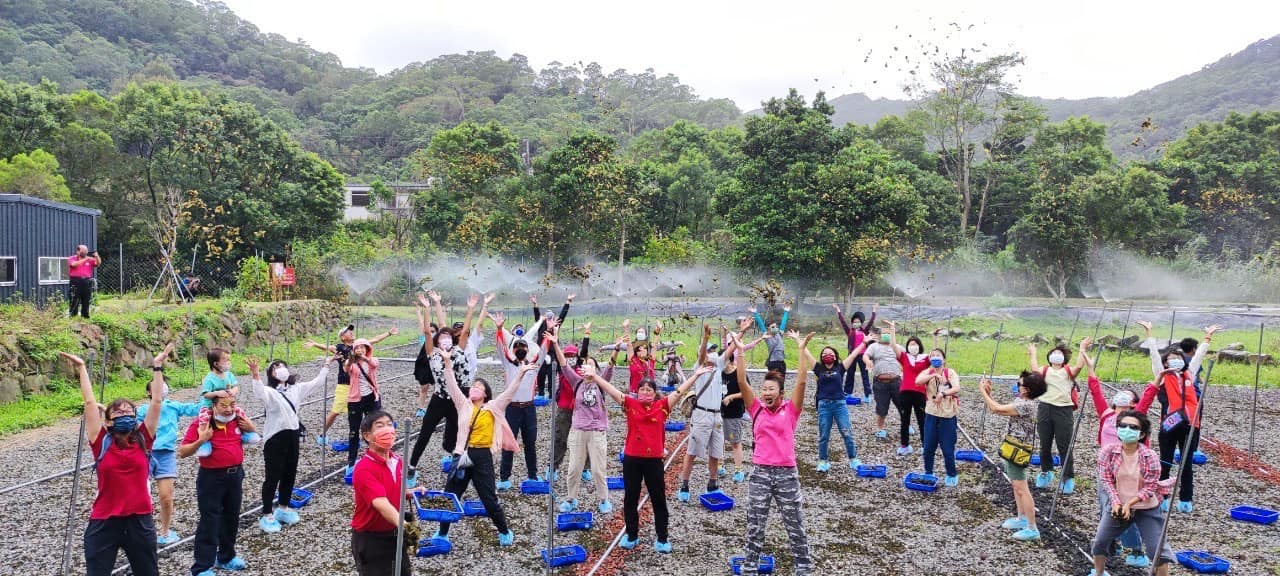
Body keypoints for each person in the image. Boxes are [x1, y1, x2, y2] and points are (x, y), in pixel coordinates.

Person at [60, 343, 170, 576]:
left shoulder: (143, 438)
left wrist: (157, 366)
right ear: (108, 421)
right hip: (104, 520)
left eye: (129, 412)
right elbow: (90, 404)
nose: (125, 415)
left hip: (139, 520)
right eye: (118, 413)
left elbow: (157, 402)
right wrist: (81, 368)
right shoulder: (101, 441)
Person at [435, 332, 530, 544]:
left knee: (488, 497)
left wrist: (521, 373)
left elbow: (510, 391)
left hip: (482, 455)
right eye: (473, 386)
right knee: (450, 494)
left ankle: (504, 531)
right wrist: (447, 363)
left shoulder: (493, 407)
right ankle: (442, 533)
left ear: (486, 394)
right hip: (462, 454)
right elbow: (451, 385)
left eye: (479, 387)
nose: (474, 389)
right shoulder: (463, 404)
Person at [734, 330, 815, 575]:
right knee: (755, 523)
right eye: (764, 388)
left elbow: (801, 381)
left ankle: (803, 566)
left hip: (787, 474)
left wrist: (801, 351)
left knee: (795, 523)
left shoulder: (791, 410)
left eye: (771, 389)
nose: (766, 392)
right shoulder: (756, 408)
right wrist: (739, 351)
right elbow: (741, 382)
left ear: (781, 393)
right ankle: (750, 567)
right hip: (760, 473)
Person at [613, 365, 714, 552]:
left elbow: (679, 391)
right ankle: (632, 535)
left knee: (658, 499)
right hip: (632, 460)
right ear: (637, 391)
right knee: (630, 498)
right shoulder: (630, 404)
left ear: (654, 393)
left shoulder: (662, 406)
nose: (645, 392)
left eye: (649, 389)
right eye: (642, 389)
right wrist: (594, 376)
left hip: (654, 461)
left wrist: (695, 375)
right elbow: (612, 391)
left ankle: (662, 538)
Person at [1135, 321, 1218, 514]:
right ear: (1165, 363)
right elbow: (1154, 357)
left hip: (1190, 423)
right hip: (1170, 422)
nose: (1175, 361)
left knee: (1186, 463)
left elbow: (1198, 356)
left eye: (1178, 358)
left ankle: (1186, 499)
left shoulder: (1190, 373)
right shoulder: (1163, 376)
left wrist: (1207, 337)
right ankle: (1161, 497)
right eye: (1171, 359)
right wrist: (1149, 334)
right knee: (1165, 461)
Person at [1081, 343, 1150, 568]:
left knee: (1125, 509)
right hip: (1105, 468)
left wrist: (1158, 379)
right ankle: (1112, 543)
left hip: (1129, 470)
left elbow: (1149, 395)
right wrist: (1091, 367)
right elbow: (1095, 389)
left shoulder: (1136, 417)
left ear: (1133, 403)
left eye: (1128, 395)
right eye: (1120, 393)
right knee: (1105, 506)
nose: (1122, 396)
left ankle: (1137, 551)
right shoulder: (1107, 414)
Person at [250, 354, 334, 533]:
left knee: (290, 473)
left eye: (282, 365)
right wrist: (255, 376)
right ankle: (267, 513)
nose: (280, 368)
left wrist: (327, 364)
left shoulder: (296, 388)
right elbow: (259, 393)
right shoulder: (270, 392)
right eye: (275, 367)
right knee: (273, 476)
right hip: (274, 437)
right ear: (271, 374)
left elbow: (317, 382)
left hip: (293, 435)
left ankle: (283, 507)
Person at [1088, 410, 1177, 576]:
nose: (1126, 429)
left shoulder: (1149, 456)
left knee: (1157, 551)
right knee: (1100, 541)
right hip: (1118, 505)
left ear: (1142, 434)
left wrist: (1129, 504)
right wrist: (1116, 503)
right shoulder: (1107, 452)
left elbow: (1149, 487)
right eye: (1123, 425)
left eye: (1133, 427)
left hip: (1146, 507)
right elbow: (1106, 480)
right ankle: (1098, 573)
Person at [407, 292, 480, 487]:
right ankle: (411, 467)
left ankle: (460, 467)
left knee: (459, 436)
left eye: (449, 336)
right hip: (440, 398)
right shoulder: (433, 353)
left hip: (460, 399)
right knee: (425, 433)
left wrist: (471, 308)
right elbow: (427, 332)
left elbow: (464, 332)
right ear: (438, 340)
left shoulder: (459, 349)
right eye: (443, 336)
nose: (446, 338)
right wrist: (428, 307)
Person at [179, 394, 255, 574]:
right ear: (214, 406)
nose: (228, 409)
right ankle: (201, 566)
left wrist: (251, 427)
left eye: (232, 405)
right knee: (210, 519)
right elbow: (183, 451)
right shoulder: (202, 423)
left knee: (232, 516)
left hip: (235, 475)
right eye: (223, 405)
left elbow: (252, 435)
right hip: (211, 477)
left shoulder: (238, 420)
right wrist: (201, 440)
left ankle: (226, 557)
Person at [549, 325, 617, 513]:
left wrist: (617, 349)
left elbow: (610, 367)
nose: (587, 367)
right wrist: (555, 344)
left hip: (596, 432)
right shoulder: (576, 381)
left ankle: (604, 499)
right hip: (578, 431)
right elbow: (563, 364)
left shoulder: (601, 384)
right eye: (585, 365)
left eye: (591, 365)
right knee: (574, 469)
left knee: (597, 469)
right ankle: (571, 499)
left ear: (595, 370)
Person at [350, 410, 426, 576]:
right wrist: (405, 526)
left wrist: (410, 492)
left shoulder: (397, 461)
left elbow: (393, 488)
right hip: (371, 538)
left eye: (390, 425)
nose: (387, 430)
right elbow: (381, 504)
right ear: (367, 436)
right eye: (380, 426)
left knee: (403, 572)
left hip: (394, 533)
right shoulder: (364, 469)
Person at [135, 366, 201, 546]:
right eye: (156, 385)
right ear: (149, 392)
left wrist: (209, 393)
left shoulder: (174, 406)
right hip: (145, 455)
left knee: (166, 496)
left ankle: (165, 530)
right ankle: (143, 531)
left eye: (163, 383)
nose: (161, 387)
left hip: (166, 454)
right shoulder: (142, 410)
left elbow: (196, 409)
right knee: (142, 495)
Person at [979, 372, 1048, 542]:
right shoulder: (1021, 401)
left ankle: (1032, 527)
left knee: (1022, 488)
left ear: (1027, 390)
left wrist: (982, 392)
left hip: (1019, 449)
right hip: (1012, 446)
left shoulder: (1027, 405)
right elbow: (1000, 409)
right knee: (1016, 486)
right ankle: (1021, 518)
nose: (1017, 386)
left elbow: (996, 409)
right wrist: (988, 394)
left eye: (1020, 384)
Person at [306, 325, 397, 449]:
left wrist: (388, 333)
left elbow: (375, 340)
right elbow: (328, 347)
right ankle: (322, 434)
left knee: (372, 408)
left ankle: (383, 426)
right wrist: (315, 344)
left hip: (360, 386)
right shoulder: (340, 348)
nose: (351, 333)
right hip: (345, 385)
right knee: (335, 412)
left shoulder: (358, 345)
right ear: (342, 337)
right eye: (347, 332)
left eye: (350, 331)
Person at [676, 322, 736, 502]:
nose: (711, 353)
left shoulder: (719, 366)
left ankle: (713, 482)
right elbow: (701, 353)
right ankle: (685, 484)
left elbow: (730, 350)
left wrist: (741, 332)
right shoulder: (699, 368)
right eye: (709, 350)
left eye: (712, 350)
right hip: (701, 415)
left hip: (717, 414)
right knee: (693, 451)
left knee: (716, 452)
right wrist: (705, 338)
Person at [494, 311, 551, 489]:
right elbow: (500, 348)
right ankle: (504, 478)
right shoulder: (509, 363)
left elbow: (543, 350)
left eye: (523, 346)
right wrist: (499, 328)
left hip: (529, 408)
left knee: (530, 442)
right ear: (514, 349)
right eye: (517, 346)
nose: (520, 348)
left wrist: (549, 332)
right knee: (508, 443)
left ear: (528, 349)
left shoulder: (534, 364)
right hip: (512, 408)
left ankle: (532, 476)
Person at [1028, 340, 1086, 494]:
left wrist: (1082, 349)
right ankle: (1046, 471)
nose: (1056, 355)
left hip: (1063, 410)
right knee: (1044, 443)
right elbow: (1034, 370)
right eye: (1054, 353)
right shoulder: (1045, 370)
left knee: (1064, 444)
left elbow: (1079, 366)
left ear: (1064, 358)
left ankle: (1068, 476)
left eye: (1060, 353)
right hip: (1044, 408)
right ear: (1049, 356)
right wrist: (1033, 354)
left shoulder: (1068, 371)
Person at [808, 344, 861, 473]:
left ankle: (853, 458)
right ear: (821, 357)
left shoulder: (840, 368)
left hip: (839, 405)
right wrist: (800, 342)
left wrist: (864, 343)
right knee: (824, 435)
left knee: (846, 432)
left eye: (830, 353)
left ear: (835, 356)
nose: (827, 355)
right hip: (824, 405)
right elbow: (806, 354)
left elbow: (853, 355)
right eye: (824, 353)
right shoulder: (818, 368)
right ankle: (823, 461)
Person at [847, 321, 902, 440]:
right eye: (884, 333)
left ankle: (906, 425)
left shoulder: (896, 347)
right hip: (880, 383)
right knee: (881, 408)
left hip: (896, 381)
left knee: (902, 406)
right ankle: (881, 429)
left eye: (888, 333)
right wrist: (868, 361)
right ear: (879, 335)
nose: (886, 335)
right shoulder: (874, 346)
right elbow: (865, 356)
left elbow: (905, 357)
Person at [918, 348, 961, 486]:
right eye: (933, 356)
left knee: (948, 448)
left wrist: (943, 394)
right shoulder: (928, 372)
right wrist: (933, 376)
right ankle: (928, 471)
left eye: (938, 356)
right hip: (931, 414)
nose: (935, 358)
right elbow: (918, 381)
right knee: (928, 446)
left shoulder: (950, 372)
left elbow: (956, 388)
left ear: (944, 359)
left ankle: (951, 473)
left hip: (947, 415)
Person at [344, 337, 384, 477]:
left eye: (363, 347)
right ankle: (351, 462)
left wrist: (364, 358)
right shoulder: (352, 364)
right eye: (357, 348)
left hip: (371, 398)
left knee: (374, 427)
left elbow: (374, 364)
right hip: (355, 400)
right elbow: (346, 368)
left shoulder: (372, 360)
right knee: (354, 431)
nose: (360, 350)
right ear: (354, 350)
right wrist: (350, 359)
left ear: (367, 349)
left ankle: (375, 456)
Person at [895, 333, 937, 456]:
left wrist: (935, 338)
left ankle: (925, 445)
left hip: (920, 393)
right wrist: (893, 330)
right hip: (905, 392)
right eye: (910, 344)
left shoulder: (924, 359)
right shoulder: (904, 357)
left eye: (915, 344)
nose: (913, 346)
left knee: (922, 420)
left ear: (919, 346)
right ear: (907, 347)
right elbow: (893, 346)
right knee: (904, 420)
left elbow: (935, 354)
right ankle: (904, 445)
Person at [532, 293, 574, 399]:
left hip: (552, 354)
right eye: (547, 316)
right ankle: (540, 393)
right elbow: (537, 316)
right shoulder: (541, 325)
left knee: (551, 374)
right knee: (540, 374)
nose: (549, 318)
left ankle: (551, 395)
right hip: (541, 354)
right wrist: (535, 304)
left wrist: (568, 302)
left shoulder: (556, 325)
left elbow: (563, 315)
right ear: (545, 318)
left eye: (551, 317)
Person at [834, 302, 877, 402]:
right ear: (852, 322)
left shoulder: (864, 331)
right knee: (850, 374)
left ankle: (867, 395)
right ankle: (848, 393)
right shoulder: (849, 331)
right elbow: (842, 322)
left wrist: (874, 311)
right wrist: (838, 310)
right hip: (852, 356)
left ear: (861, 323)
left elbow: (870, 322)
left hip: (863, 355)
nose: (856, 323)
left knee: (864, 375)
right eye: (854, 321)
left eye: (858, 321)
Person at [720, 339, 749, 483]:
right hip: (719, 412)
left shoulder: (739, 373)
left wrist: (731, 396)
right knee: (718, 440)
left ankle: (738, 470)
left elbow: (747, 393)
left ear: (730, 361)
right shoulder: (719, 373)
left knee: (735, 441)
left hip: (734, 412)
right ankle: (720, 465)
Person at [625, 318, 664, 393]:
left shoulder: (651, 360)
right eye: (639, 349)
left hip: (650, 394)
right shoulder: (633, 360)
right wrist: (626, 328)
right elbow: (629, 345)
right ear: (636, 351)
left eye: (644, 348)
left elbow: (655, 345)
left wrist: (658, 330)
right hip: (634, 393)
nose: (641, 350)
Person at [749, 304, 790, 373]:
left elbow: (783, 323)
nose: (775, 328)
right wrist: (755, 313)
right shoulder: (767, 336)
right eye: (773, 327)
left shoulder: (779, 334)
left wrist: (786, 311)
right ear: (768, 329)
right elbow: (761, 324)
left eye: (776, 326)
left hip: (782, 362)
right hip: (773, 362)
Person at [68, 245, 101, 319]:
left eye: (86, 252)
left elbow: (98, 264)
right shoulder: (72, 258)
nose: (85, 253)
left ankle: (85, 316)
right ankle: (73, 316)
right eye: (83, 252)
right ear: (78, 251)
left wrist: (97, 256)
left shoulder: (90, 259)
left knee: (86, 299)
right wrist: (85, 259)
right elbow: (73, 264)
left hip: (86, 281)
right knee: (74, 298)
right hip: (75, 281)